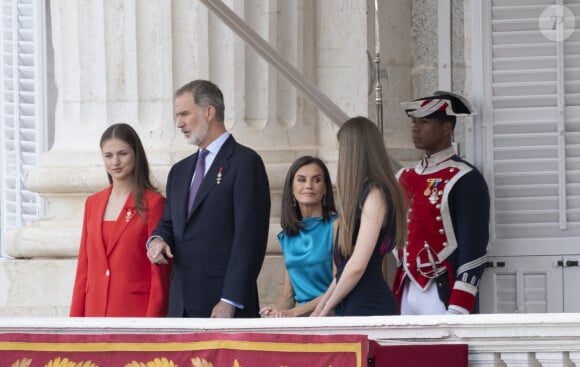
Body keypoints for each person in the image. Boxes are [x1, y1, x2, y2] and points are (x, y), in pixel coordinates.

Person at [146, 79, 271, 318]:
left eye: (184, 114)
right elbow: (169, 224)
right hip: (180, 305)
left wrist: (230, 299)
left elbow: (250, 240)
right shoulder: (179, 171)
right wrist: (157, 239)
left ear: (209, 112)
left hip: (224, 305)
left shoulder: (245, 163)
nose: (179, 123)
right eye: (177, 116)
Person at [393, 91, 490, 315]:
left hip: (442, 290)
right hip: (406, 286)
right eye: (414, 122)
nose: (415, 128)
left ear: (446, 128)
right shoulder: (403, 177)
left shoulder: (465, 177)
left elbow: (474, 247)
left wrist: (459, 305)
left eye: (424, 122)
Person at [70, 123, 170, 317]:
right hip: (94, 314)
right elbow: (84, 268)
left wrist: (152, 324)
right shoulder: (92, 203)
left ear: (136, 154)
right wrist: (74, 323)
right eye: (108, 156)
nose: (115, 161)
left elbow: (159, 275)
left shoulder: (154, 203)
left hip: (134, 314)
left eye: (122, 153)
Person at [311, 117, 407, 316]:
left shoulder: (375, 195)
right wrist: (321, 307)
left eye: (341, 150)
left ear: (353, 153)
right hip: (354, 301)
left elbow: (358, 265)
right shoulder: (365, 194)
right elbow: (346, 267)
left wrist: (327, 308)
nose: (340, 156)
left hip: (370, 304)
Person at [260, 156, 337, 318]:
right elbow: (288, 295)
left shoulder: (337, 226)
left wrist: (293, 313)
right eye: (302, 180)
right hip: (303, 320)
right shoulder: (288, 235)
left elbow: (339, 287)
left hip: (333, 315)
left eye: (316, 180)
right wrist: (276, 313)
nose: (308, 186)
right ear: (291, 188)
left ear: (325, 189)